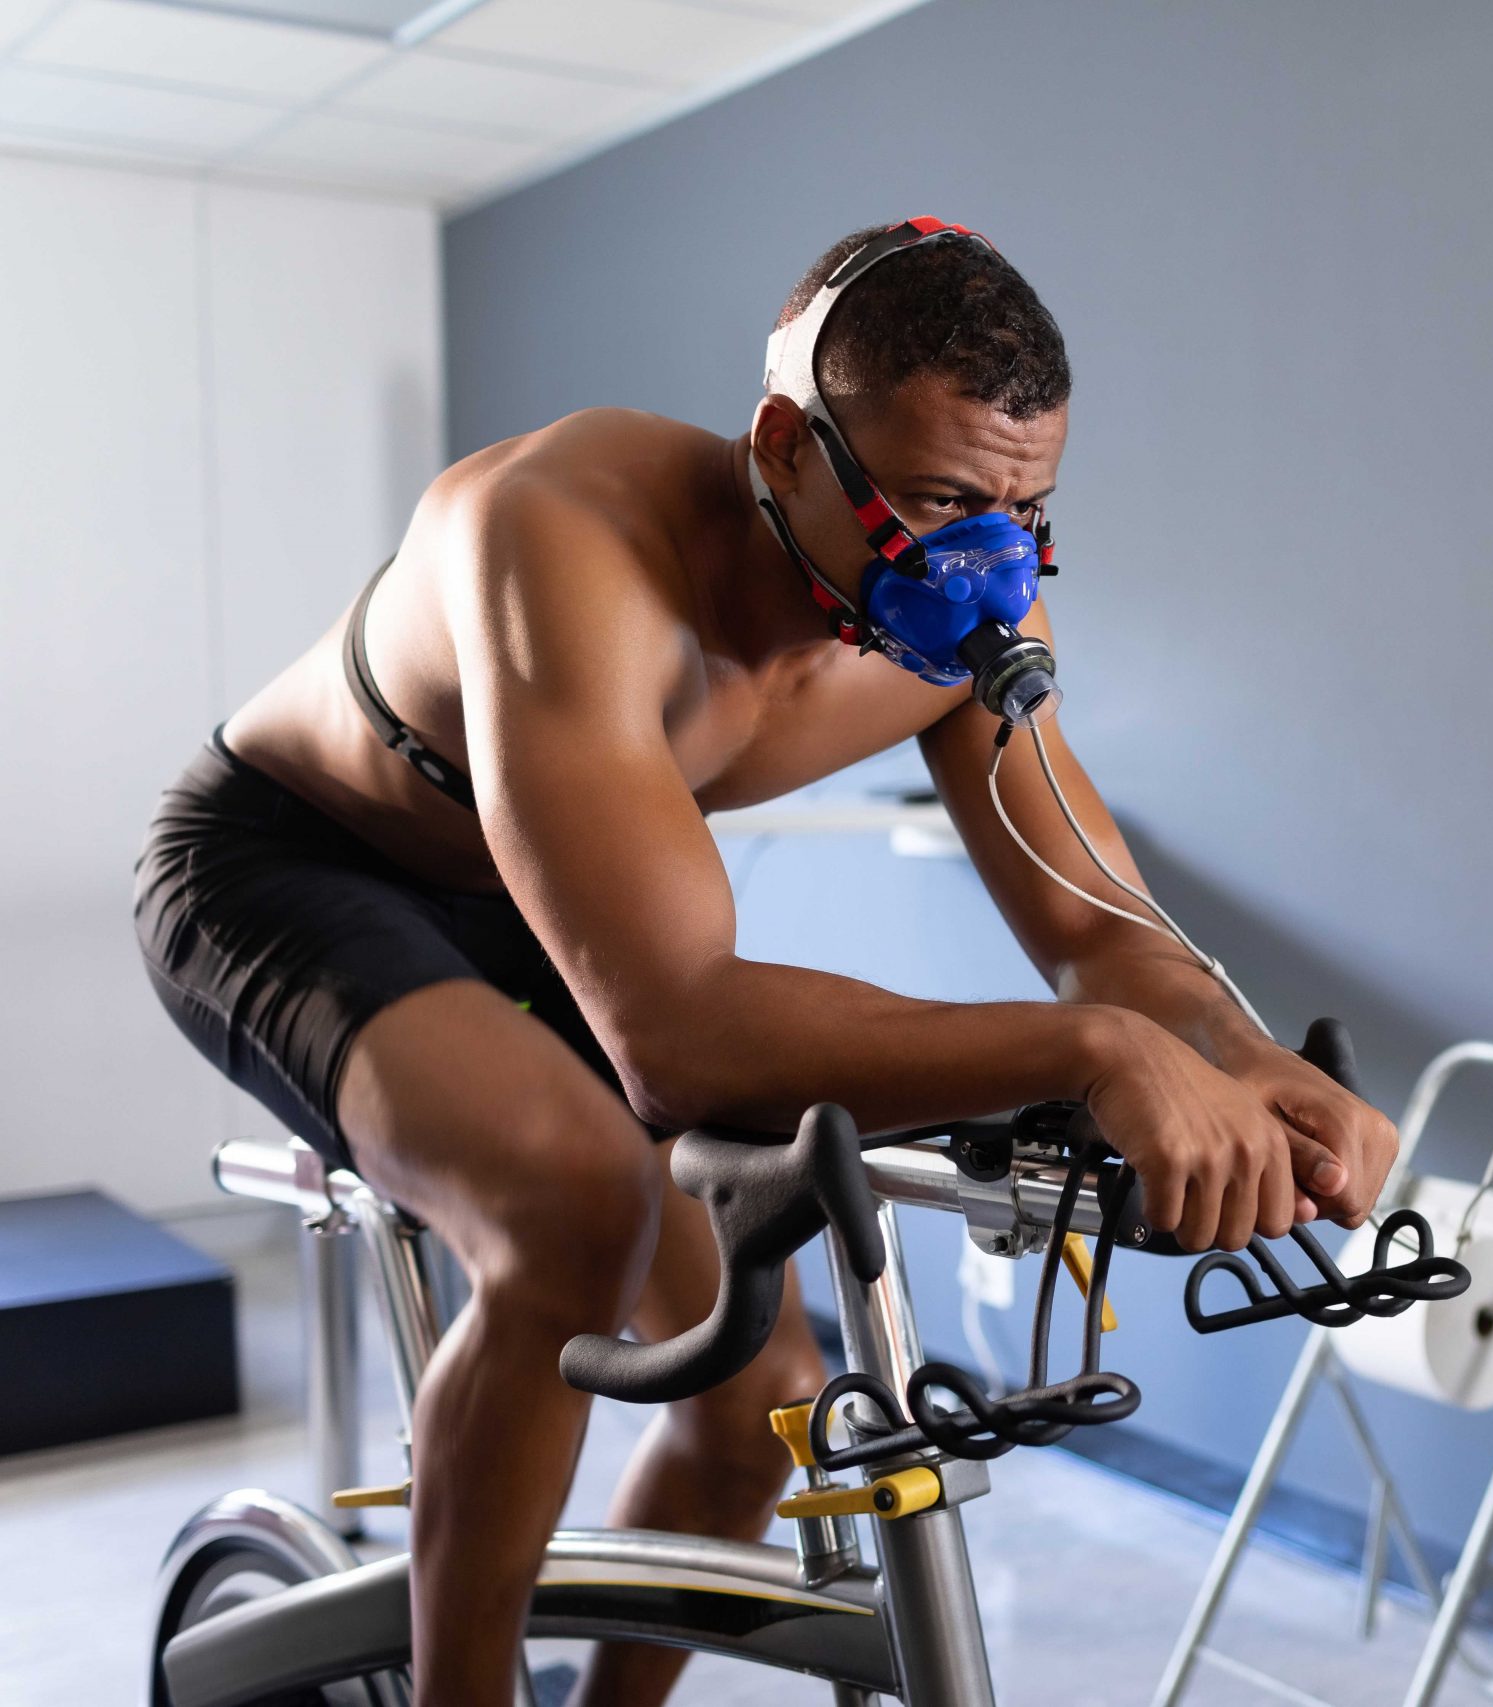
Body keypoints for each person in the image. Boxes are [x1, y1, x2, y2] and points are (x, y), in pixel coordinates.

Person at [134, 218, 1396, 1707]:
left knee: (762, 1408)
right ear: (787, 446)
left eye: (1025, 506)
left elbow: (1095, 924)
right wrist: (1097, 1053)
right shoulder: (562, 535)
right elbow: (677, 1036)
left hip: (546, 895)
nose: (988, 559)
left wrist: (1236, 1049)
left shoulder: (961, 622)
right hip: (292, 863)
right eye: (938, 501)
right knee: (573, 1204)